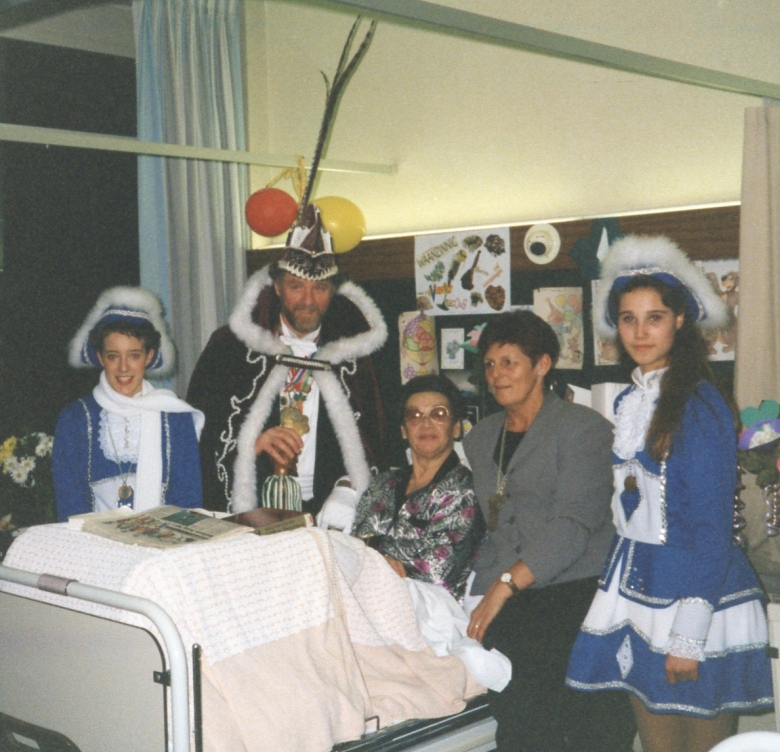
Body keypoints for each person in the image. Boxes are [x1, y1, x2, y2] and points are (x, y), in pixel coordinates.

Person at [566, 236, 774, 752]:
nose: (640, 332)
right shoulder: (630, 400)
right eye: (628, 319)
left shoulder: (700, 405)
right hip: (637, 590)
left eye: (654, 317)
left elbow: (711, 528)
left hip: (696, 596)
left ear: (679, 321)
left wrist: (689, 633)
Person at [462, 310, 636, 752]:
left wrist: (504, 585)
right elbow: (490, 524)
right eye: (490, 364)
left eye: (509, 362)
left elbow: (574, 524)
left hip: (574, 591)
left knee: (580, 729)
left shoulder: (583, 429)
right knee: (519, 728)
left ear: (542, 364)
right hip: (508, 596)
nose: (497, 375)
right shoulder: (479, 438)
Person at [186, 205, 387, 526]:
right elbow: (199, 431)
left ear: (332, 290)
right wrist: (251, 443)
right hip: (253, 506)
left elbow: (375, 437)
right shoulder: (230, 348)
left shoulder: (354, 355)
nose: (308, 300)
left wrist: (347, 488)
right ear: (277, 287)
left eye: (319, 288)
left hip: (327, 508)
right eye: (296, 286)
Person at [52, 287, 204, 522]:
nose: (123, 368)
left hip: (163, 541)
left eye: (134, 355)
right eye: (113, 356)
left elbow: (188, 503)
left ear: (149, 356)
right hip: (92, 542)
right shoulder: (75, 419)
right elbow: (70, 507)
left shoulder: (176, 417)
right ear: (101, 357)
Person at [352, 374, 485, 600]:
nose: (426, 424)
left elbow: (435, 570)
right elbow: (351, 545)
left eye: (438, 414)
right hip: (365, 597)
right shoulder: (382, 484)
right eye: (414, 416)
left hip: (428, 607)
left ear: (456, 428)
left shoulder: (465, 491)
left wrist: (371, 550)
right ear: (404, 430)